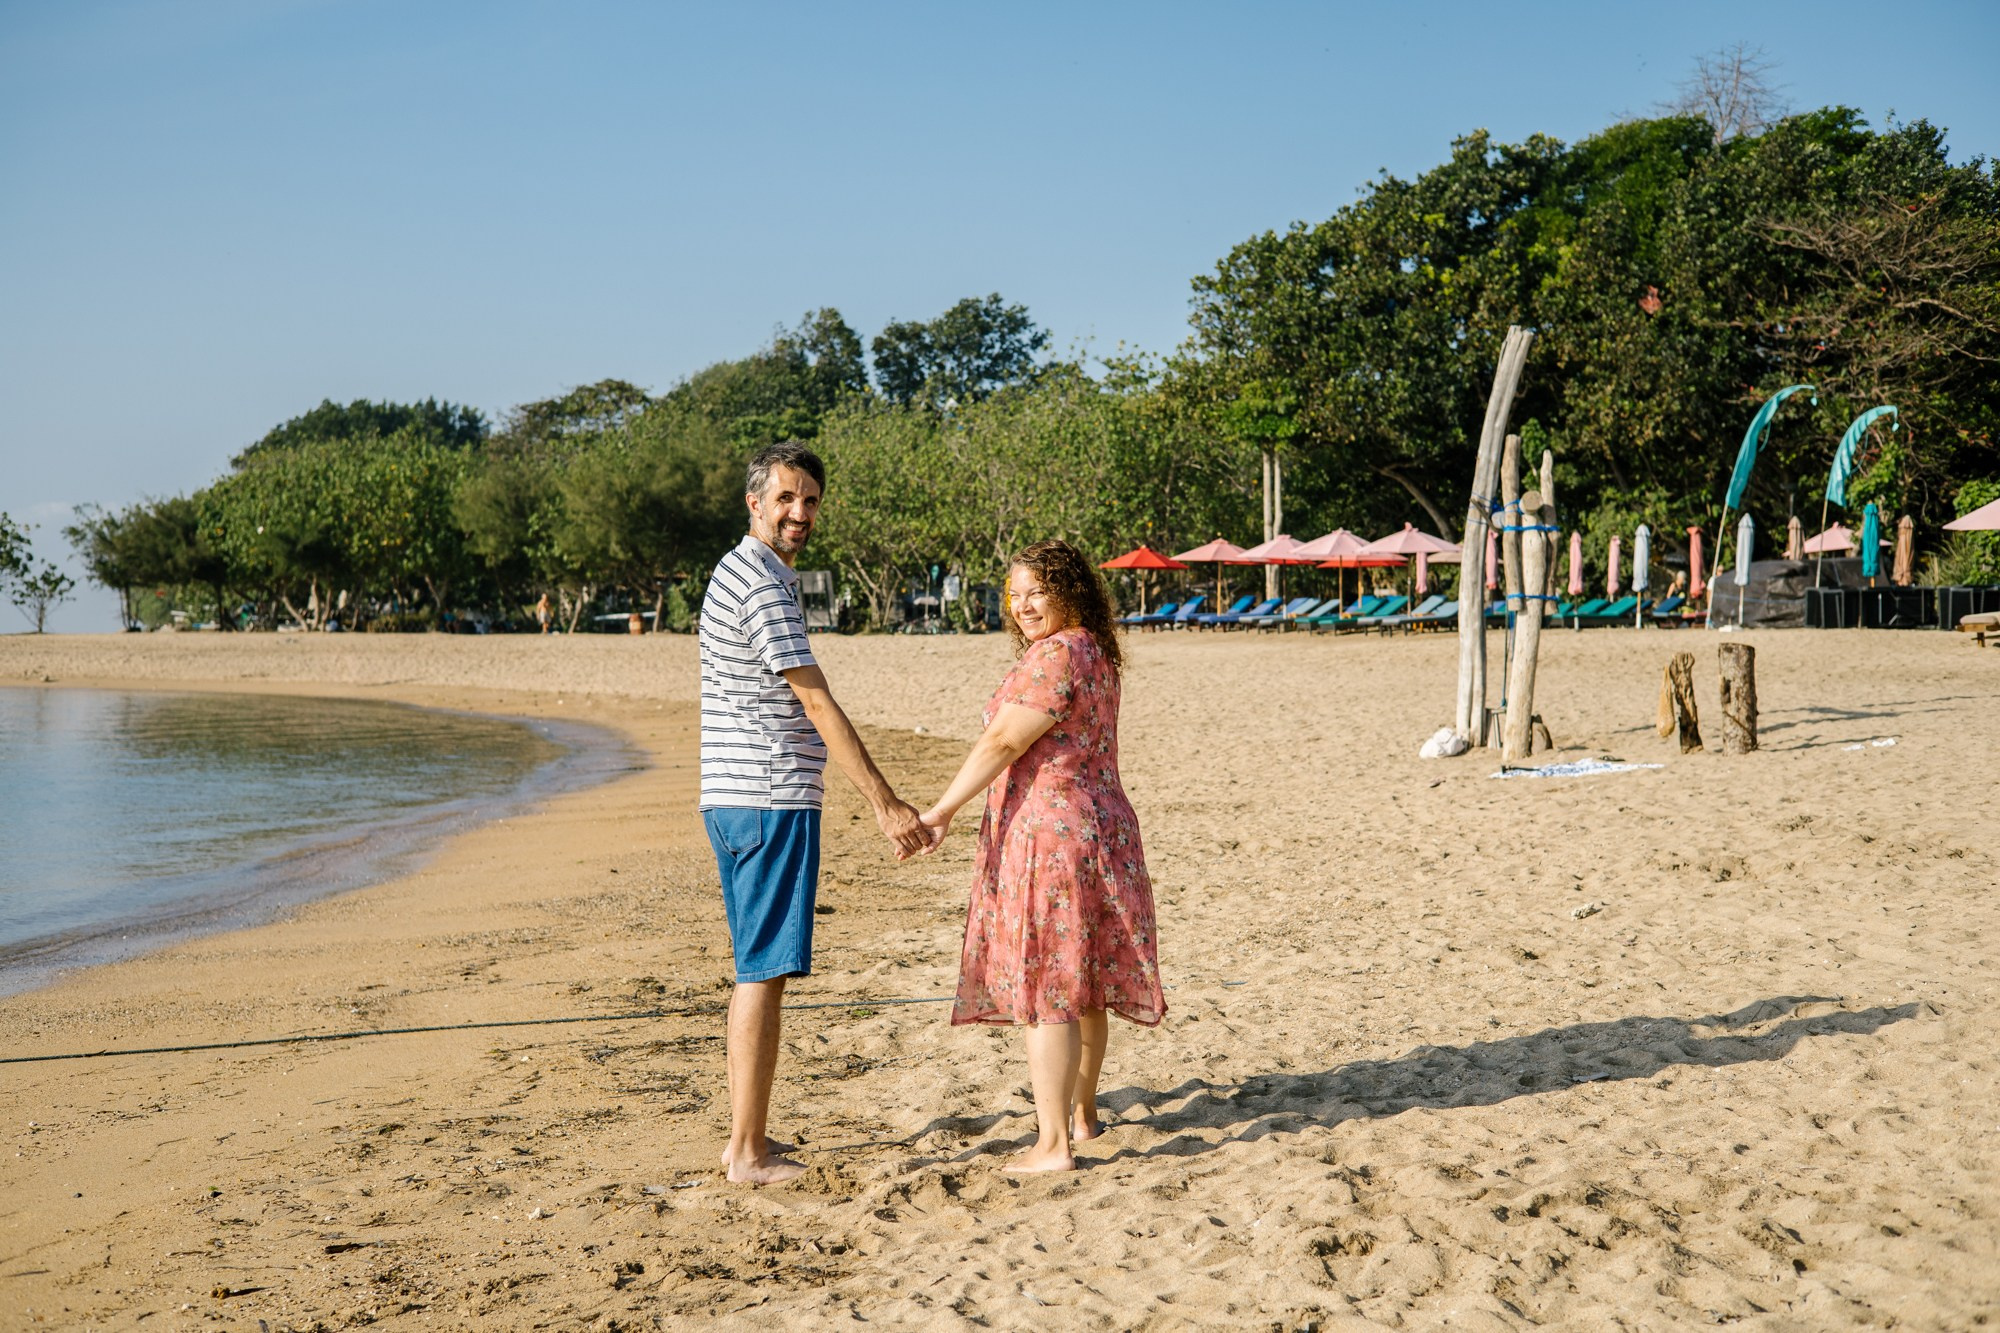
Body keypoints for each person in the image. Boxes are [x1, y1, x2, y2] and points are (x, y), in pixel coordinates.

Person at [699, 440, 930, 1185]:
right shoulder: (761, 584)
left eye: (810, 501)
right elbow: (817, 702)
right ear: (755, 502)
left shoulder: (745, 571)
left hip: (736, 796)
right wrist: (886, 804)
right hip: (767, 798)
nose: (799, 512)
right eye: (786, 498)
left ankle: (746, 1139)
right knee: (762, 971)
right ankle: (747, 1150)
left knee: (757, 965)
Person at [918, 539, 1164, 1173]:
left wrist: (941, 810)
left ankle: (1052, 1144)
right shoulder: (1094, 651)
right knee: (1085, 984)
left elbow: (1004, 740)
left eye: (1038, 592)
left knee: (1051, 985)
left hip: (1054, 838)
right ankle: (1083, 1116)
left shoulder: (1056, 654)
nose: (1023, 605)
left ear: (1070, 593)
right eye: (1015, 594)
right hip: (1102, 827)